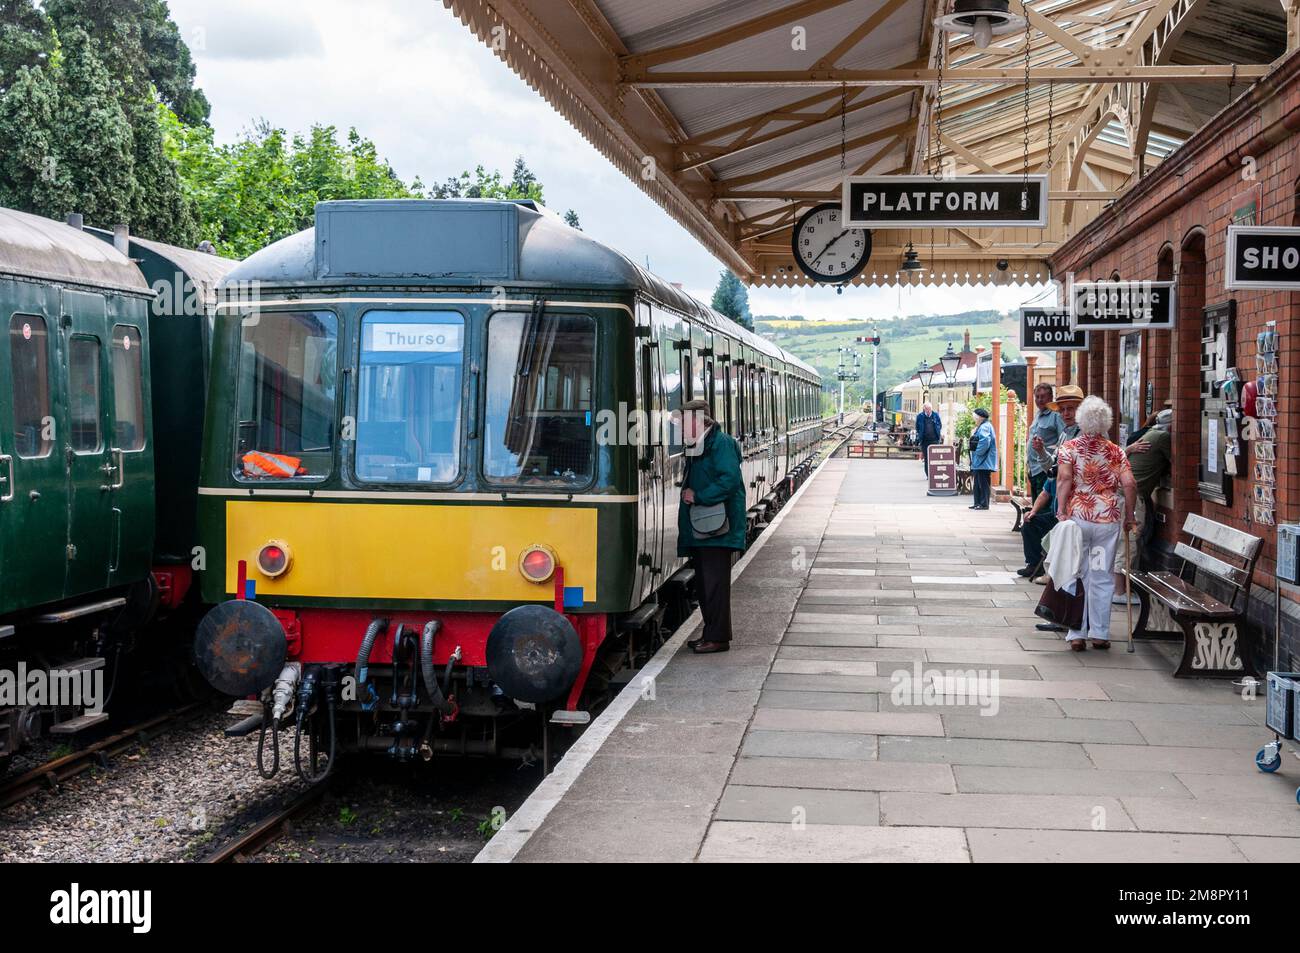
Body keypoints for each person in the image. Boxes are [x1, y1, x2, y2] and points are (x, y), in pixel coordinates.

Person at [1055, 396, 1138, 651]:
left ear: (1081, 419)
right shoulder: (1116, 451)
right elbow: (1130, 484)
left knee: (1077, 572)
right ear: (1106, 423)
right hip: (1107, 521)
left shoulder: (1069, 448)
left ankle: (1076, 633)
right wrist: (1131, 516)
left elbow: (1064, 480)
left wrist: (1061, 510)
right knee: (1101, 575)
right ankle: (1100, 634)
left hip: (1079, 518)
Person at [676, 399, 745, 655]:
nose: (681, 428)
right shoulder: (702, 443)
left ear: (699, 421)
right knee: (706, 584)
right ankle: (711, 633)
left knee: (715, 585)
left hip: (718, 527)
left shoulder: (721, 443)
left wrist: (699, 496)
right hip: (705, 527)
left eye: (684, 422)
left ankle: (718, 638)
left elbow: (730, 480)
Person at [1111, 407, 1173, 602]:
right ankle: (1120, 592)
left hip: (1123, 495)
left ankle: (1123, 589)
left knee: (1125, 541)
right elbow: (1177, 462)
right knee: (1127, 543)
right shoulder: (1163, 437)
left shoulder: (1151, 433)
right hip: (1131, 497)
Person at [1018, 464, 1058, 577]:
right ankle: (1034, 564)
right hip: (1054, 515)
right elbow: (1044, 494)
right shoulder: (1054, 474)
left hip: (1068, 517)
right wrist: (1033, 511)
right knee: (1029, 523)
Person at [1027, 383, 1063, 498]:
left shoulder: (1056, 416)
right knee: (1036, 509)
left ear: (1050, 397)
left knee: (1042, 510)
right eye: (1037, 397)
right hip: (1033, 469)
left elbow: (1063, 441)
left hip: (1045, 470)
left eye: (1043, 396)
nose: (1039, 399)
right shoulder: (1038, 414)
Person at [969, 406, 997, 511]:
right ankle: (978, 503)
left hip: (983, 461)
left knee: (983, 483)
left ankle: (984, 504)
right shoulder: (983, 426)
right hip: (981, 461)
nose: (974, 419)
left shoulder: (985, 427)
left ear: (980, 417)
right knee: (978, 482)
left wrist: (977, 453)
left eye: (975, 417)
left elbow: (985, 441)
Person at [917, 402, 942, 475]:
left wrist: (937, 432)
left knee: (935, 458)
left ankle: (934, 473)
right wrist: (921, 435)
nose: (928, 410)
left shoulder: (935, 415)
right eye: (926, 409)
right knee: (927, 458)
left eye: (929, 409)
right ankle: (928, 474)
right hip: (925, 441)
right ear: (924, 409)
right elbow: (917, 427)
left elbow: (940, 425)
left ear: (931, 409)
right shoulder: (920, 416)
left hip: (934, 440)